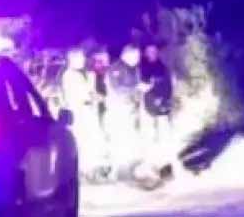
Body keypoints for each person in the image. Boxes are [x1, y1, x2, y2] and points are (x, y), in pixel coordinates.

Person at [61, 48, 105, 179]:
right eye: (80, 57)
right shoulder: (69, 75)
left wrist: (95, 95)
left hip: (87, 110)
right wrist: (92, 96)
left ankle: (90, 168)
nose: (83, 60)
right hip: (79, 111)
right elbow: (79, 94)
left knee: (91, 139)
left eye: (83, 57)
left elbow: (90, 91)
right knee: (82, 140)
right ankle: (83, 170)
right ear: (72, 59)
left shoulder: (84, 73)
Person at [104, 44, 144, 179]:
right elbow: (117, 89)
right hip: (118, 108)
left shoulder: (134, 69)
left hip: (130, 108)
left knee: (130, 139)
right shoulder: (116, 68)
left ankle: (128, 169)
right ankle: (115, 171)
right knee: (119, 139)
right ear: (126, 55)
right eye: (135, 56)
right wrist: (136, 87)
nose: (138, 58)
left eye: (138, 56)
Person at [138, 41, 176, 172]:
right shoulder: (141, 68)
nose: (152, 54)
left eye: (154, 51)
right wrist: (151, 95)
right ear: (145, 53)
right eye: (149, 51)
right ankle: (150, 164)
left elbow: (169, 86)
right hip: (147, 107)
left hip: (162, 108)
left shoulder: (163, 67)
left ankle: (165, 165)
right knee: (149, 135)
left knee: (164, 135)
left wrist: (165, 99)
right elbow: (141, 87)